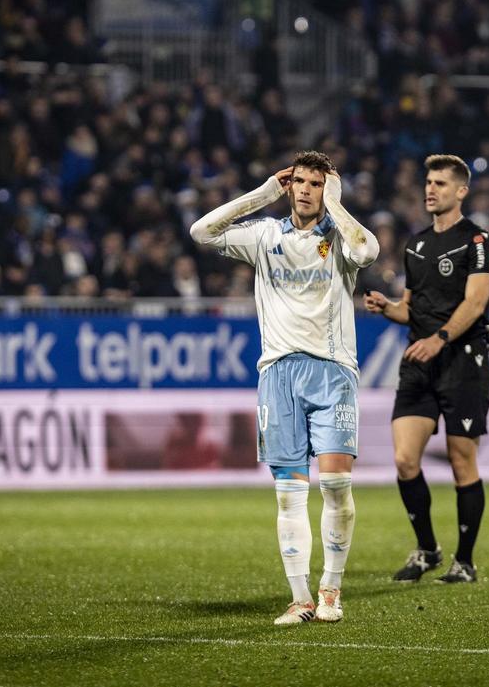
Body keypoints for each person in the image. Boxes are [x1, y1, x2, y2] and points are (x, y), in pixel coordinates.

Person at [190, 150, 379, 624]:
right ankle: (301, 600)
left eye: (317, 184)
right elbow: (201, 232)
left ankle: (331, 590)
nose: (306, 190)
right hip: (277, 374)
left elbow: (369, 251)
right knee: (288, 493)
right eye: (300, 182)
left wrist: (337, 203)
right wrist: (263, 192)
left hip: (333, 371)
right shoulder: (266, 236)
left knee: (335, 484)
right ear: (289, 185)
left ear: (326, 189)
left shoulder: (339, 239)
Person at [363, 154, 489, 584]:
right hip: (419, 364)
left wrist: (440, 338)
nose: (430, 189)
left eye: (440, 183)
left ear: (461, 191)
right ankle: (427, 549)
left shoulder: (478, 242)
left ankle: (466, 561)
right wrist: (388, 308)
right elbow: (412, 310)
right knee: (404, 460)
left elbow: (475, 303)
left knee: (462, 460)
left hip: (462, 362)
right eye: (428, 182)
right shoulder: (415, 245)